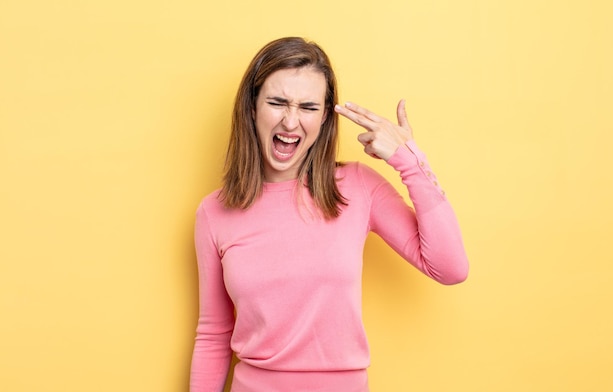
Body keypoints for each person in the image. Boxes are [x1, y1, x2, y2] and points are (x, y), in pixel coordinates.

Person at [190, 37, 469, 392]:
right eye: (277, 102)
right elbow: (214, 334)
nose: (291, 121)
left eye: (308, 107)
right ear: (252, 107)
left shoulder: (357, 187)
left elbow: (451, 267)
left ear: (324, 118)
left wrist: (409, 161)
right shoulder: (214, 212)